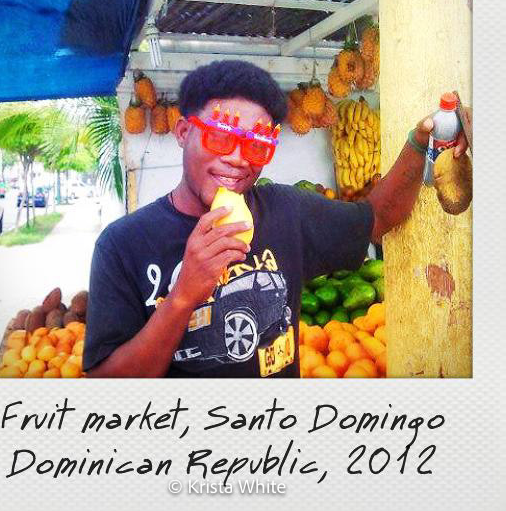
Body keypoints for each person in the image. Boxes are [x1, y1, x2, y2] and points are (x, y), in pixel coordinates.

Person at [84, 60, 468, 378]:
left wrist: (422, 141)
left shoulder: (287, 211)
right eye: (220, 136)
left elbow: (380, 214)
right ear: (184, 132)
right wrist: (183, 296)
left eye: (256, 144)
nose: (238, 158)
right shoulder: (123, 244)